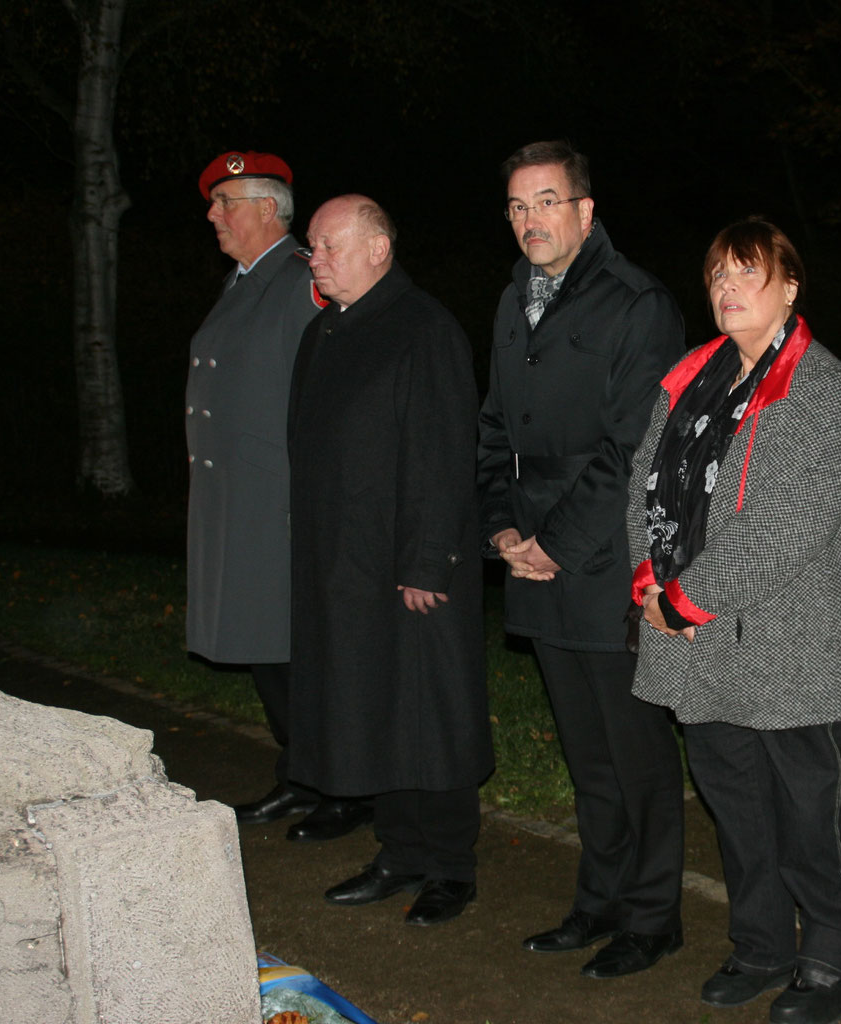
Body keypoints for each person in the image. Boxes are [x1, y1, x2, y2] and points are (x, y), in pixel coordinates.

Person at [629, 218, 841, 1024]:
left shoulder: (819, 386)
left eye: (748, 274)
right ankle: (761, 945)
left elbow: (786, 521)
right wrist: (648, 579)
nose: (727, 290)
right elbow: (644, 485)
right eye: (718, 275)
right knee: (735, 807)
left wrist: (685, 598)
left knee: (809, 816)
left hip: (784, 641)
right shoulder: (690, 376)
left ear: (790, 287)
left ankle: (833, 959)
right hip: (698, 642)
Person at [476, 141, 687, 977]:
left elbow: (634, 447)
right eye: (518, 207)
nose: (531, 220)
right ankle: (598, 900)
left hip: (603, 563)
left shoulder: (638, 303)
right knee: (585, 754)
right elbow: (493, 425)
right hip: (532, 558)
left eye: (548, 202)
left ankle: (653, 915)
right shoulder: (511, 302)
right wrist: (500, 529)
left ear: (586, 211)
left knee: (634, 752)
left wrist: (551, 546)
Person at [287, 195, 491, 926]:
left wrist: (428, 560)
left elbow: (442, 450)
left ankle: (450, 865)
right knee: (372, 708)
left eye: (329, 246)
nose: (316, 260)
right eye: (311, 246)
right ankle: (399, 851)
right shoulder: (325, 333)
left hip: (409, 566)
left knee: (427, 713)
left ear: (379, 249)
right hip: (346, 565)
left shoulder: (422, 328)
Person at [184, 150, 341, 833]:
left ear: (268, 210)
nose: (213, 215)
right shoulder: (244, 281)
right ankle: (303, 774)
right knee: (269, 652)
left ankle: (336, 786)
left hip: (280, 503)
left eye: (227, 202)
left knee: (296, 655)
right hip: (240, 503)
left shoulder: (306, 276)